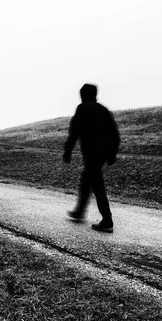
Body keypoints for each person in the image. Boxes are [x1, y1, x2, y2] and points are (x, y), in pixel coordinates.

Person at [63, 83, 120, 232]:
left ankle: (107, 220)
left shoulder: (82, 108)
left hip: (91, 152)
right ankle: (80, 212)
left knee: (97, 185)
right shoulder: (103, 109)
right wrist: (112, 153)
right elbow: (115, 133)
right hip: (103, 153)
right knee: (87, 179)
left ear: (83, 95)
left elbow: (74, 132)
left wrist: (67, 151)